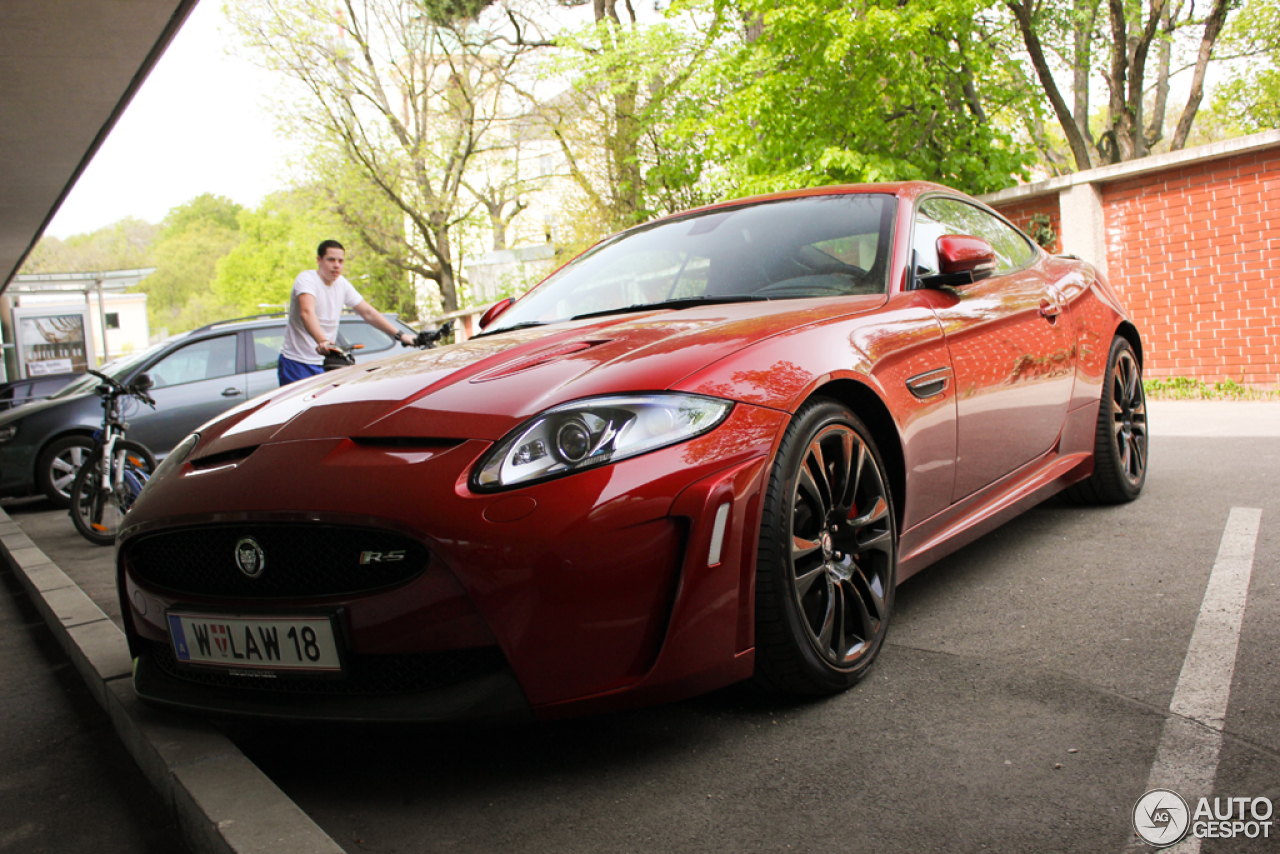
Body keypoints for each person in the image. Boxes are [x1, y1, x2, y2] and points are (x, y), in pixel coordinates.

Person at [278, 239, 413, 386]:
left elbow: (367, 312)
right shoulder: (307, 279)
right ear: (319, 260)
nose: (336, 265)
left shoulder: (341, 284)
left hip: (325, 363)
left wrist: (400, 335)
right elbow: (307, 312)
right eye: (331, 260)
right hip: (297, 363)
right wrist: (323, 341)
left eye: (340, 261)